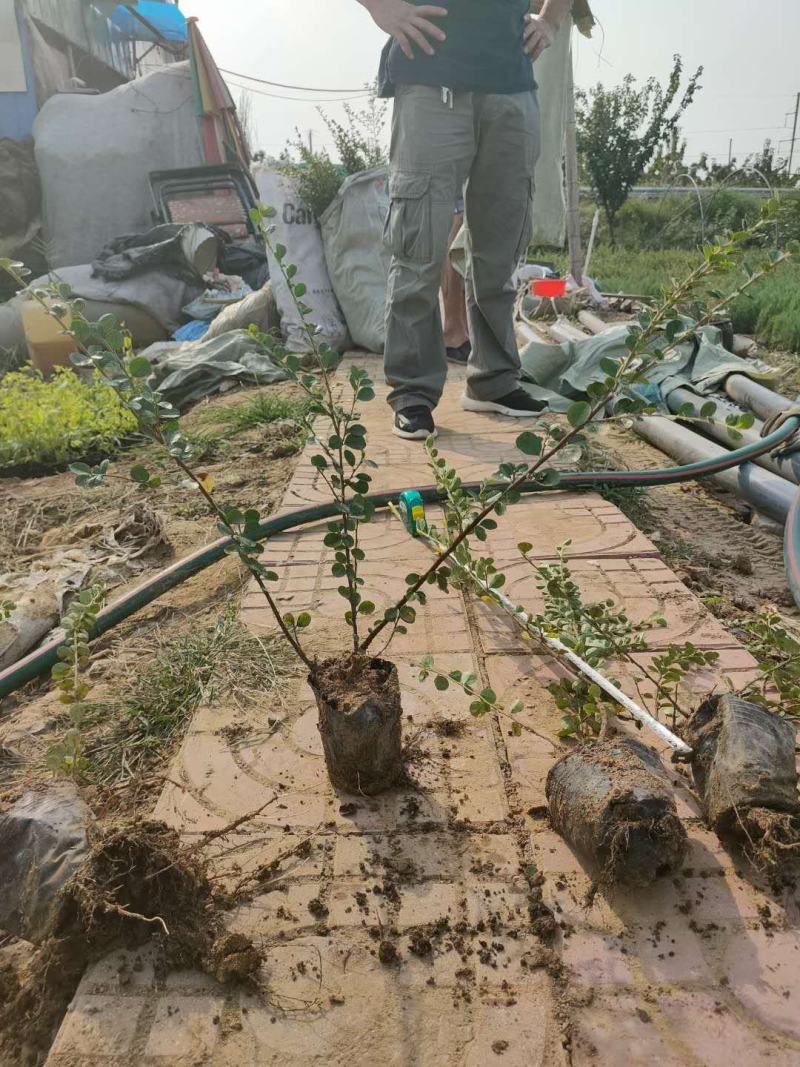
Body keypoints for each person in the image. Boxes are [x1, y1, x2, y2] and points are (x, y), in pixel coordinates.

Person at [357, 0, 571, 439]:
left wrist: (551, 19)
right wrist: (381, 7)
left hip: (511, 82)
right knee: (418, 245)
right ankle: (414, 392)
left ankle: (493, 380)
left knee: (499, 249)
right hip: (430, 76)